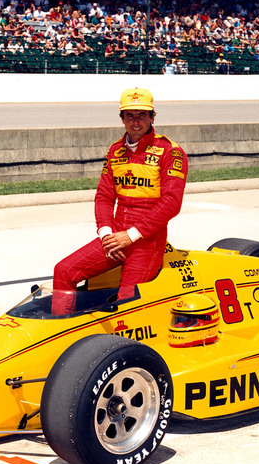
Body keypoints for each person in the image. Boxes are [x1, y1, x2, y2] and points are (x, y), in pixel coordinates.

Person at [52, 87, 189, 314]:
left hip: (147, 242)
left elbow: (171, 203)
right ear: (122, 118)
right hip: (114, 236)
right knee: (63, 271)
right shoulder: (115, 151)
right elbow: (104, 196)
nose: (136, 122)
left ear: (153, 116)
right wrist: (106, 234)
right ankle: (61, 333)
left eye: (142, 115)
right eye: (130, 115)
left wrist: (130, 236)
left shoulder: (171, 151)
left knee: (126, 303)